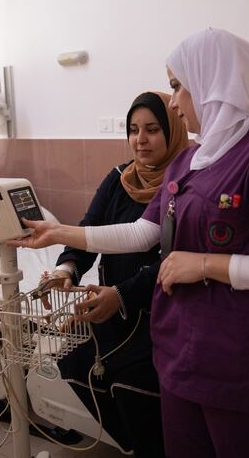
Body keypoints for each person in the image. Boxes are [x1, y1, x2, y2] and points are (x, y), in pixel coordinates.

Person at [13, 28, 249, 457]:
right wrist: (58, 233)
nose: (175, 101)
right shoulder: (191, 158)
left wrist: (203, 265)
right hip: (180, 352)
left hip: (241, 362)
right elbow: (142, 232)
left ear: (213, 81)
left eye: (178, 86)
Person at [42, 91, 188, 458]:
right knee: (74, 363)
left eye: (153, 129)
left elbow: (175, 257)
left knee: (132, 383)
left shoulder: (185, 182)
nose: (141, 139)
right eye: (134, 129)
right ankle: (134, 446)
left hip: (160, 314)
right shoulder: (118, 179)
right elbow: (89, 229)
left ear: (172, 131)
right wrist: (67, 268)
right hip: (110, 310)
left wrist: (121, 295)